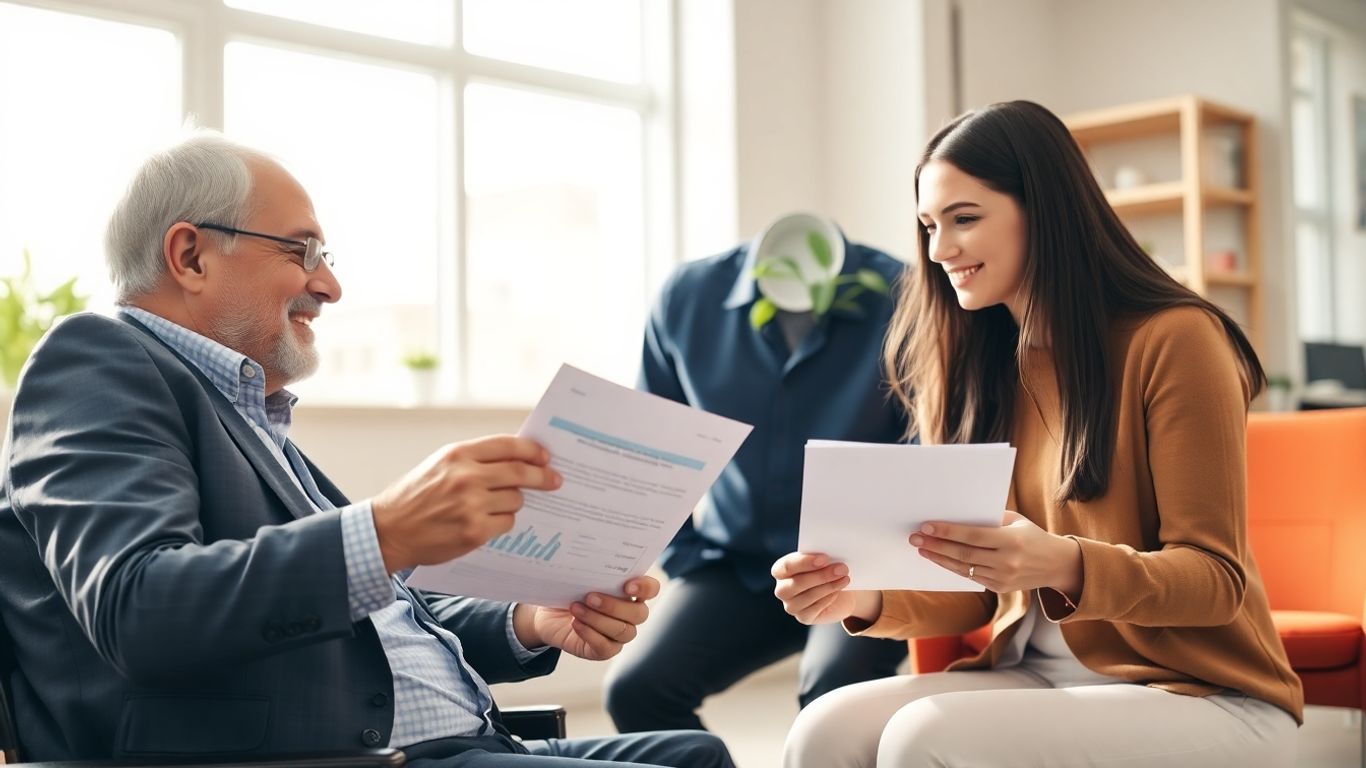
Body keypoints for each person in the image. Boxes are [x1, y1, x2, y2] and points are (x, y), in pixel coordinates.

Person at [0, 133, 733, 768]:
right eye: (302, 251)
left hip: (434, 742)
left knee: (696, 752)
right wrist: (383, 532)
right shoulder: (96, 361)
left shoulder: (250, 416)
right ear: (190, 255)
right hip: (319, 757)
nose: (330, 284)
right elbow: (139, 607)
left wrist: (529, 623)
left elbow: (368, 626)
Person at [772, 100, 1304, 767]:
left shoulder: (1175, 338)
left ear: (1043, 210)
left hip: (1204, 691)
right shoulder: (974, 361)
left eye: (965, 219)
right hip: (1039, 671)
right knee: (823, 727)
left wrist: (1062, 562)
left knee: (922, 738)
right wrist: (861, 595)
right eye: (930, 225)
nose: (939, 250)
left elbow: (1215, 579)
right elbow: (971, 594)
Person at [603, 216, 909, 733]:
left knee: (831, 699)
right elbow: (655, 448)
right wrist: (686, 556)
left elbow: (927, 444)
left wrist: (887, 566)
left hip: (861, 568)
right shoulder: (686, 298)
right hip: (735, 566)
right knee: (636, 689)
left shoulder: (907, 295)